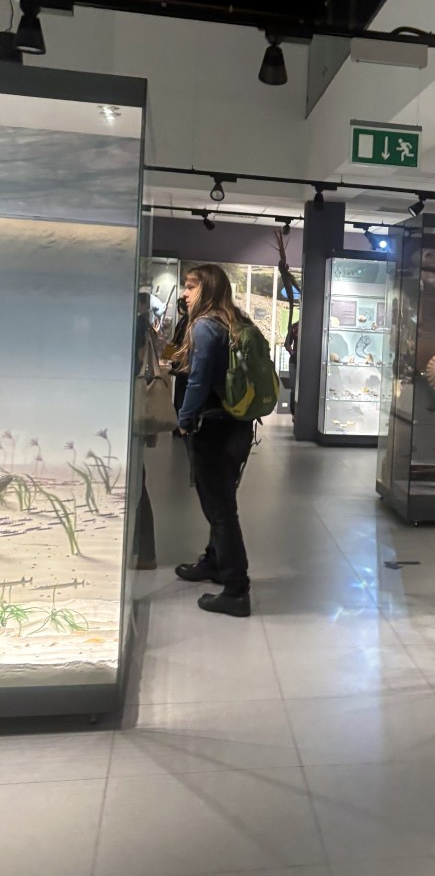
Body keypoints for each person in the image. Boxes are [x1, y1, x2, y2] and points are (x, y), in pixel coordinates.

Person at [173, 264, 254, 617]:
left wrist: (184, 419)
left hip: (213, 427)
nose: (185, 293)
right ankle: (215, 562)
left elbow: (198, 380)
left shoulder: (206, 326)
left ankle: (236, 589)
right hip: (238, 425)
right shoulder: (236, 321)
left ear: (206, 290)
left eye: (191, 287)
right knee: (222, 501)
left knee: (220, 511)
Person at [132, 292, 157, 570]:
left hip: (132, 411)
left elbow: (142, 364)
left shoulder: (139, 324)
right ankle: (144, 553)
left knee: (137, 482)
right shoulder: (143, 324)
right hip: (134, 410)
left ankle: (145, 553)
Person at [169, 296, 190, 434]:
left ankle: (180, 426)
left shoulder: (184, 322)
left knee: (180, 395)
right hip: (184, 365)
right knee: (181, 395)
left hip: (183, 365)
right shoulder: (188, 321)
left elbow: (175, 341)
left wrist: (167, 357)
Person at [284, 319, 299, 417]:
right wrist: (293, 354)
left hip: (307, 362)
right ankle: (294, 412)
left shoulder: (312, 326)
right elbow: (287, 344)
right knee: (294, 387)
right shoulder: (295, 327)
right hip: (294, 362)